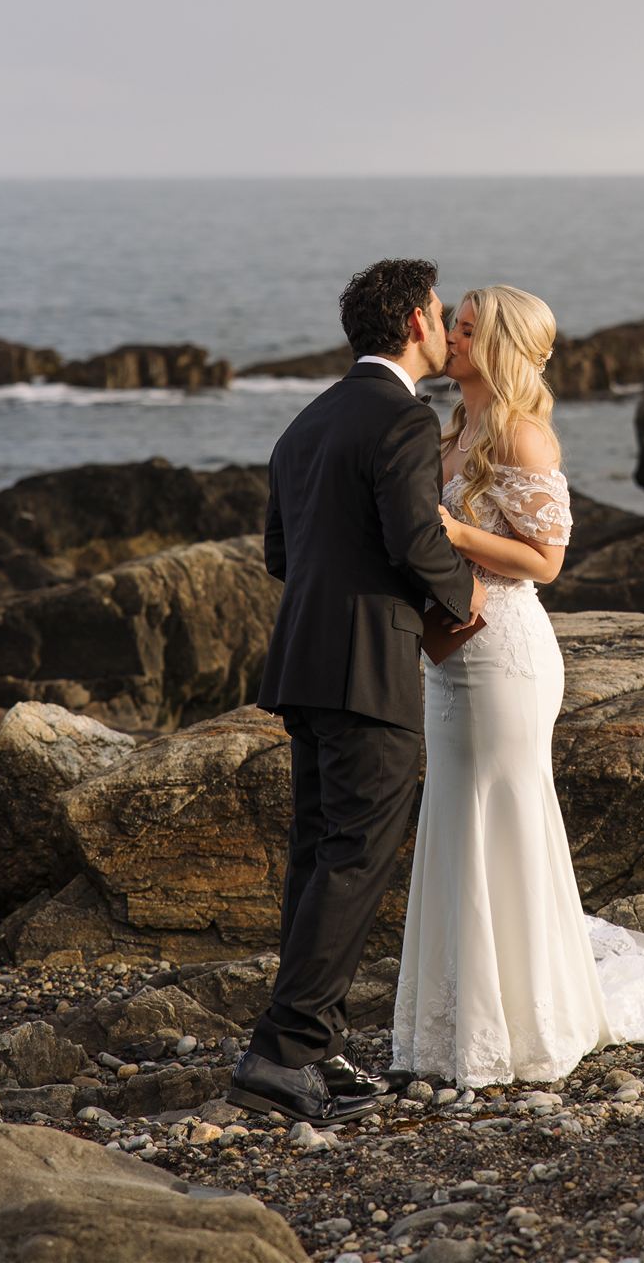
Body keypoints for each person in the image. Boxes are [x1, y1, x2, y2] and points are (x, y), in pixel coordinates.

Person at [392, 283, 644, 1087]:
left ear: (500, 347)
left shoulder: (521, 438)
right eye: (453, 324)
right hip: (450, 656)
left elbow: (546, 562)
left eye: (467, 329)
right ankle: (456, 1023)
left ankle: (523, 1025)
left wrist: (447, 529)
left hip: (506, 655)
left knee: (502, 820)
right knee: (453, 818)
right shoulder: (454, 427)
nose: (449, 337)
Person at [231, 258, 485, 1124]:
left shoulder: (304, 424)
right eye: (440, 313)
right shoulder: (402, 419)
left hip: (301, 663)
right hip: (367, 666)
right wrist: (464, 596)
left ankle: (318, 1044)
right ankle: (283, 1051)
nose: (445, 325)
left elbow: (279, 555)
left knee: (319, 853)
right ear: (416, 320)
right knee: (355, 854)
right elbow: (415, 540)